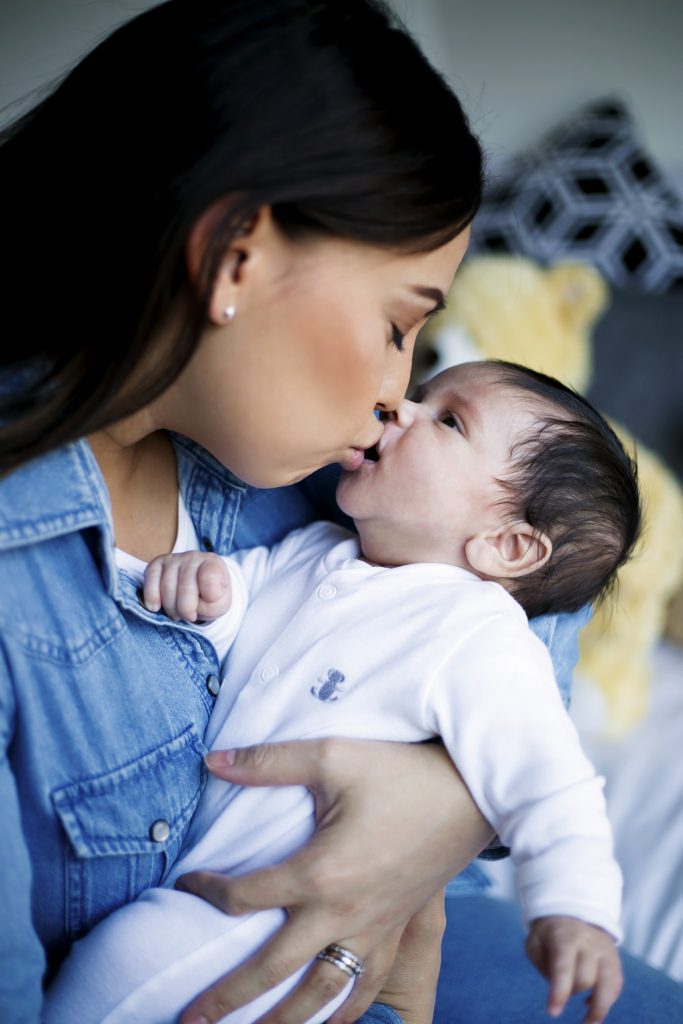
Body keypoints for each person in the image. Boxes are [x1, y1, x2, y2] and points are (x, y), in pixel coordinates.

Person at [2, 1, 683, 1023]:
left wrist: (441, 809)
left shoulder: (322, 459)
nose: (394, 396)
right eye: (398, 326)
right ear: (235, 258)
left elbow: (544, 579)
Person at [44, 359, 638, 1024]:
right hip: (210, 880)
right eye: (423, 395)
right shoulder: (318, 549)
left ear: (508, 545)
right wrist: (212, 590)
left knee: (126, 959)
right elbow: (243, 606)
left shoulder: (480, 636)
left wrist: (576, 908)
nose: (401, 407)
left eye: (448, 421)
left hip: (280, 921)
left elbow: (549, 780)